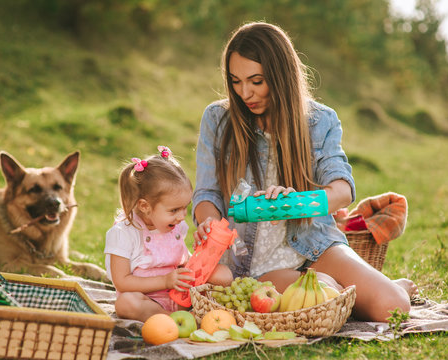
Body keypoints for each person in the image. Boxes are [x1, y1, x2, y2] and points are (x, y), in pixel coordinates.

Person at [192, 22, 417, 322]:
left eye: (256, 81)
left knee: (394, 306)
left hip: (313, 244)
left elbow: (342, 190)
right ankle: (338, 289)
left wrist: (297, 201)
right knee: (325, 298)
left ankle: (370, 288)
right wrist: (208, 222)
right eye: (235, 81)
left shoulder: (319, 120)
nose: (245, 92)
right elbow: (206, 192)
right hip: (249, 262)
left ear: (280, 75)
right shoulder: (218, 119)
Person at [105, 146, 233, 322]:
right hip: (148, 301)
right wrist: (165, 281)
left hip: (180, 295)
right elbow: (122, 282)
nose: (182, 217)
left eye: (185, 208)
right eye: (174, 210)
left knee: (223, 274)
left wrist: (198, 256)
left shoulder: (174, 226)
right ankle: (175, 320)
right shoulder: (124, 233)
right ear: (144, 206)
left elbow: (181, 262)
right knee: (126, 303)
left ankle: (196, 310)